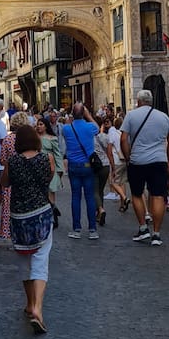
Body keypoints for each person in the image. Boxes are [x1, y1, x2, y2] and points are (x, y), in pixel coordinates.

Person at [1, 124, 55, 335]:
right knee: (41, 259)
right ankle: (37, 308)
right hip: (41, 212)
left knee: (24, 259)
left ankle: (29, 302)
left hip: (19, 216)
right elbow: (48, 179)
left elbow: (4, 183)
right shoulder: (46, 159)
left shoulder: (13, 161)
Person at [120, 88, 169, 247]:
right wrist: (167, 157)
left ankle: (143, 227)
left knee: (137, 194)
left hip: (137, 161)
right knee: (158, 196)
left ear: (138, 101)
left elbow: (124, 139)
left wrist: (128, 156)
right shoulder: (163, 117)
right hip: (159, 161)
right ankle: (157, 233)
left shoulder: (131, 116)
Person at [62, 102, 99, 240]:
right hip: (87, 165)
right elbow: (97, 128)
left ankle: (76, 228)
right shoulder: (90, 127)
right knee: (89, 197)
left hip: (73, 165)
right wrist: (88, 115)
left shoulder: (66, 128)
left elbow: (65, 128)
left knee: (75, 197)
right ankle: (92, 229)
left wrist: (71, 118)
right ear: (84, 113)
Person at [0, 113, 32, 242]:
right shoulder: (30, 139)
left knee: (8, 206)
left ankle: (7, 232)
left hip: (11, 177)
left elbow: (2, 160)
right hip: (27, 177)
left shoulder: (8, 139)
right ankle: (25, 231)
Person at [35, 115, 64, 228]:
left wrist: (60, 169)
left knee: (50, 192)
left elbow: (57, 154)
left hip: (50, 167)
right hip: (37, 168)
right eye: (37, 124)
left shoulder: (52, 139)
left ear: (46, 126)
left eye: (41, 124)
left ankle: (53, 216)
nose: (38, 126)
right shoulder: (34, 138)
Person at [106, 114, 130, 211]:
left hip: (117, 160)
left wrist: (111, 165)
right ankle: (122, 205)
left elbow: (109, 150)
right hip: (125, 160)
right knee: (122, 182)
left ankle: (124, 197)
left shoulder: (113, 133)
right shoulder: (124, 133)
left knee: (113, 182)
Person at [92, 118, 113, 226]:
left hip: (95, 165)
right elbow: (109, 152)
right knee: (101, 190)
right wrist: (112, 166)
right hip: (105, 165)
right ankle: (99, 214)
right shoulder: (105, 137)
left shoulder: (90, 138)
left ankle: (100, 210)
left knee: (94, 190)